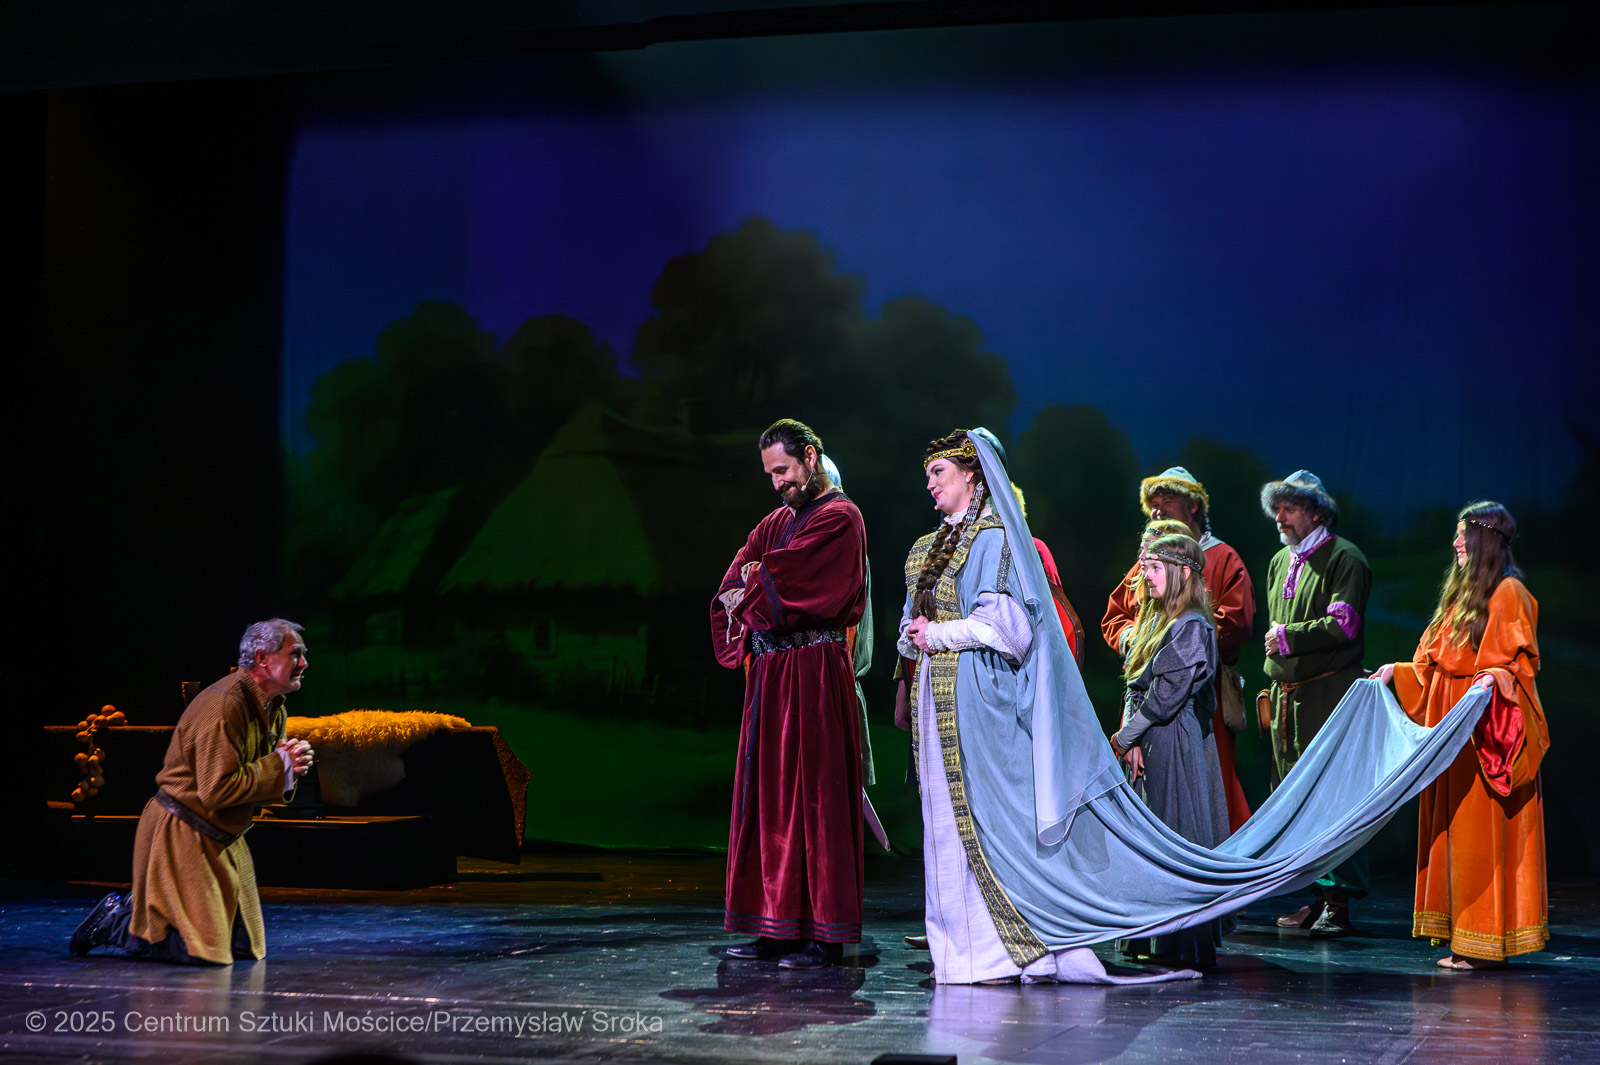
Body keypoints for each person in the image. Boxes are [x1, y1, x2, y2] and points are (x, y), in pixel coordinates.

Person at [710, 419, 868, 970]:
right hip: (771, 678)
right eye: (770, 474)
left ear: (810, 457)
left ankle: (824, 935)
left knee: (817, 799)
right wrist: (760, 578)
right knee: (768, 799)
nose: (778, 482)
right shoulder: (775, 522)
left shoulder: (841, 517)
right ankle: (774, 927)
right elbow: (732, 585)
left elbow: (792, 580)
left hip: (814, 673)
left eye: (783, 469)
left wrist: (762, 579)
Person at [70, 620, 314, 964]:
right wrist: (279, 765)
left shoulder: (272, 706)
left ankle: (152, 921)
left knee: (244, 947)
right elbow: (217, 790)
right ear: (262, 658)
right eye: (295, 654)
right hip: (184, 830)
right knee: (202, 953)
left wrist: (288, 767)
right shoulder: (227, 705)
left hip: (223, 835)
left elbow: (254, 779)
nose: (304, 663)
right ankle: (115, 922)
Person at [1373, 502, 1549, 970]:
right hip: (1452, 736)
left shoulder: (1508, 592)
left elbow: (1517, 666)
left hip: (1483, 734)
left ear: (1484, 540)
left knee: (1479, 837)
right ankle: (1463, 938)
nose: (1455, 543)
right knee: (1455, 837)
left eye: (1462, 535)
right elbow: (1435, 666)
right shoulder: (1460, 597)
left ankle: (1483, 943)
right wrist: (1397, 672)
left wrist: (1495, 678)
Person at [1102, 467, 1255, 832]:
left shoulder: (1217, 560)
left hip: (1191, 694)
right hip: (1146, 696)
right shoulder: (1152, 564)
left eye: (1167, 501)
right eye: (1153, 504)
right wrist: (1136, 640)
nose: (1158, 510)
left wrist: (1173, 648)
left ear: (1193, 506)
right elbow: (1118, 615)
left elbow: (1233, 620)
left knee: (1193, 791)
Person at [1260, 470, 1371, 937]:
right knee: (1294, 798)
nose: (1280, 517)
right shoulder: (1279, 561)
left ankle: (1338, 901)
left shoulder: (1345, 558)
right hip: (1288, 699)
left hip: (1327, 694)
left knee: (1332, 794)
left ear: (1317, 512)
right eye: (1277, 509)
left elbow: (1344, 625)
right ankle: (1316, 894)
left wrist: (1289, 638)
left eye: (1290, 508)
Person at [1110, 534, 1224, 968]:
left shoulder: (1191, 625)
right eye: (1147, 568)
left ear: (1182, 574)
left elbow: (1166, 696)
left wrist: (1126, 737)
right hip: (1151, 736)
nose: (1147, 577)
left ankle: (1180, 939)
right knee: (1149, 833)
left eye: (1156, 569)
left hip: (1173, 737)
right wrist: (1134, 737)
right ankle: (1148, 935)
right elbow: (1136, 685)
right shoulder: (1158, 618)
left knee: (1176, 825)